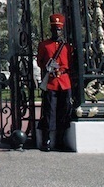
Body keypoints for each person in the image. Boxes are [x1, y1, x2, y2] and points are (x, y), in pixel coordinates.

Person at [37, 13, 73, 152]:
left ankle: (61, 139)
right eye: (54, 29)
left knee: (64, 111)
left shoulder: (67, 47)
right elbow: (40, 61)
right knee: (49, 111)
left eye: (58, 29)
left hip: (64, 81)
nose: (56, 32)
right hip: (51, 81)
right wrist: (47, 67)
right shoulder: (44, 45)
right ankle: (47, 139)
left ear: (62, 30)